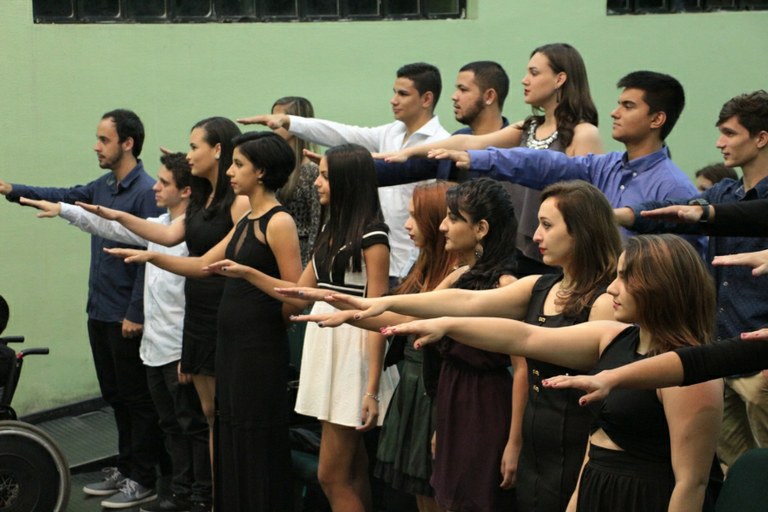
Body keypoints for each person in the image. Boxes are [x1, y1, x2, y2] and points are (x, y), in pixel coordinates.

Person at [315, 181, 622, 512]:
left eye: (547, 225)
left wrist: (441, 323)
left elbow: (523, 340)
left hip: (567, 439)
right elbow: (460, 300)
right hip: (533, 435)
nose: (535, 236)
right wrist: (363, 308)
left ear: (581, 232)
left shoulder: (601, 302)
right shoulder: (540, 286)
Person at [384, 234, 723, 512]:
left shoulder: (690, 367)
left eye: (625, 278)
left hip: (644, 498)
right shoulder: (614, 337)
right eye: (616, 275)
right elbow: (526, 336)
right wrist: (444, 324)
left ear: (659, 286)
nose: (612, 289)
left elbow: (691, 483)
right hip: (597, 487)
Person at [288, 178, 520, 512]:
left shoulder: (504, 285)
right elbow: (402, 317)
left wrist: (514, 441)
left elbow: (522, 368)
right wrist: (340, 306)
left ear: (481, 228)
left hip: (481, 402)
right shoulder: (459, 276)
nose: (443, 226)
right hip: (448, 395)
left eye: (453, 218)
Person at [105, 131, 302, 511]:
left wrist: (249, 277)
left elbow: (294, 295)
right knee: (228, 431)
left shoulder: (278, 222)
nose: (230, 170)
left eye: (239, 164)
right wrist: (151, 257)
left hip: (257, 348)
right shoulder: (248, 221)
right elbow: (201, 265)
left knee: (254, 437)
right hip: (229, 344)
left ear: (261, 172)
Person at [20, 153, 212, 512]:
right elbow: (110, 227)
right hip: (155, 348)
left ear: (186, 191)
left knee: (192, 427)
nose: (156, 186)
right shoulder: (158, 225)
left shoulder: (194, 235)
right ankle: (177, 491)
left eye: (165, 182)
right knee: (169, 425)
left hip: (180, 350)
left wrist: (192, 351)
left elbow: (199, 301)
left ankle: (198, 496)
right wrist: (63, 210)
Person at [0, 109, 165, 507]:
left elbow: (152, 256)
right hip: (100, 311)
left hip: (126, 315)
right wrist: (11, 190)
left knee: (135, 400)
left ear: (127, 143)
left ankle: (144, 477)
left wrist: (136, 313)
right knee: (115, 395)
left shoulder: (146, 191)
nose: (96, 145)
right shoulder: (104, 185)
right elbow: (63, 197)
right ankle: (126, 469)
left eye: (103, 139)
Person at [78, 117, 248, 470]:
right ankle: (200, 494)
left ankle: (211, 494)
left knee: (212, 419)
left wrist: (149, 256)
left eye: (194, 147)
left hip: (219, 316)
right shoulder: (204, 198)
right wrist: (115, 215)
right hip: (197, 317)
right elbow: (168, 235)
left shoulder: (238, 204)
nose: (189, 155)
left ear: (218, 150)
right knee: (204, 417)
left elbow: (204, 265)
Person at [615, 90, 768, 467]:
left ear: (761, 138)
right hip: (721, 355)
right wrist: (620, 215)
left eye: (730, 134)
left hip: (761, 361)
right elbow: (673, 213)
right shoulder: (724, 191)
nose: (720, 143)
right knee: (734, 471)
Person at [377, 45, 604, 275]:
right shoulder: (528, 127)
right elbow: (470, 142)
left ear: (560, 79)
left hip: (560, 255)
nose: (525, 80)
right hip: (520, 249)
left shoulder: (583, 133)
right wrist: (409, 152)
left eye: (534, 73)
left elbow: (586, 206)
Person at [237, 62, 451, 285]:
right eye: (394, 92)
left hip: (415, 256)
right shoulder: (391, 132)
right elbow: (342, 134)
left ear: (426, 99)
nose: (393, 100)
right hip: (379, 255)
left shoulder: (441, 144)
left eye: (403, 94)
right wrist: (290, 121)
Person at [270, 96, 322, 266]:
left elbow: (317, 221)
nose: (272, 125)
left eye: (279, 119)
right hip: (274, 249)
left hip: (301, 254)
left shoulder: (311, 171)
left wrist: (311, 267)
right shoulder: (276, 168)